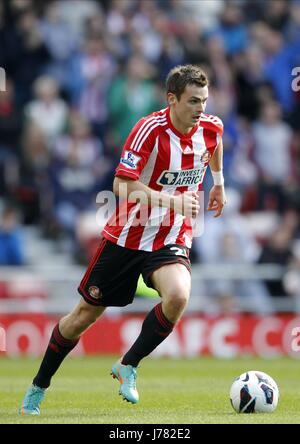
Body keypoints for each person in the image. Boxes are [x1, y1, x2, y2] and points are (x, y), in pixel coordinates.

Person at [20, 64, 226, 415]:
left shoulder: (211, 127)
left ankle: (128, 364)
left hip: (170, 236)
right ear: (171, 99)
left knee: (178, 295)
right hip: (128, 236)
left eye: (204, 101)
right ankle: (38, 386)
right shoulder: (149, 129)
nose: (201, 109)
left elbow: (215, 146)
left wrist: (219, 183)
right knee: (83, 316)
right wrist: (173, 200)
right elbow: (122, 185)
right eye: (193, 101)